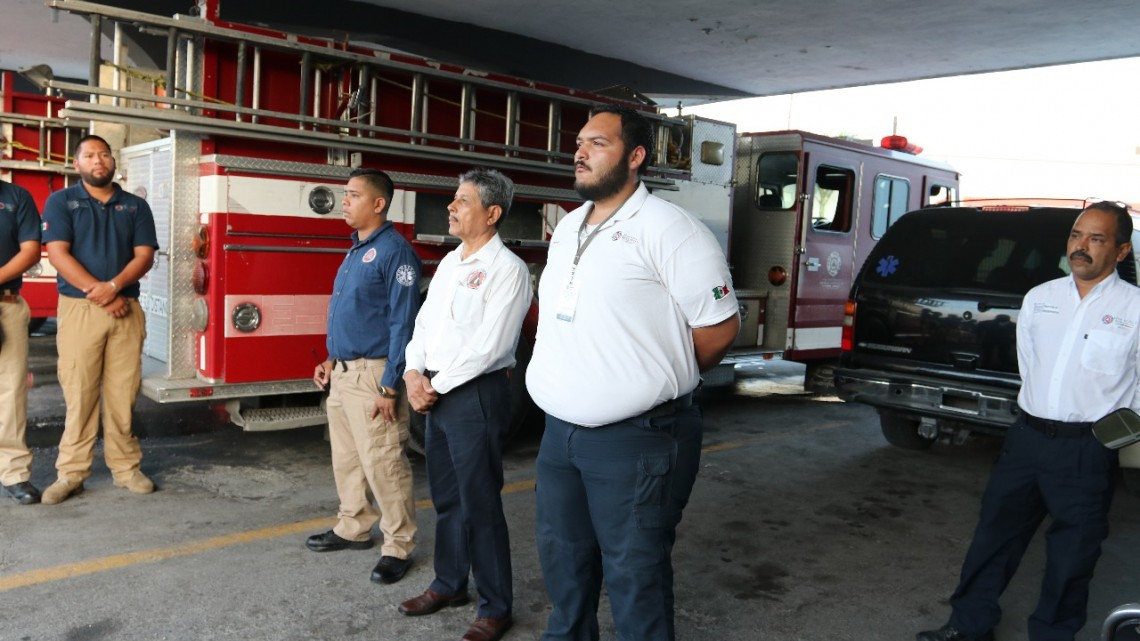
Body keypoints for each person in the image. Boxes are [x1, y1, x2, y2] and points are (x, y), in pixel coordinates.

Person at [526, 105, 740, 641]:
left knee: (634, 575)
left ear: (636, 156)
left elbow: (718, 329)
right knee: (564, 563)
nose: (580, 153)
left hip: (636, 438)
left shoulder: (671, 230)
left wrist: (655, 376)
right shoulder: (569, 226)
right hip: (559, 435)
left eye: (598, 143)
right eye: (580, 142)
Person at [917, 201, 1140, 641]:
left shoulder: (1133, 309)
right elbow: (1029, 364)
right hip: (1027, 439)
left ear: (1121, 251)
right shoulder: (1040, 298)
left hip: (1086, 448)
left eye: (1097, 238)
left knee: (1073, 554)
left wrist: (1112, 438)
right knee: (994, 537)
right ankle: (969, 626)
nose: (1081, 246)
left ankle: (1052, 635)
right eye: (1076, 235)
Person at [398, 168, 530, 641]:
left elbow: (491, 347)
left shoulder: (508, 270)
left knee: (480, 502)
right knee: (447, 497)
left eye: (463, 200)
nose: (451, 207)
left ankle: (496, 607)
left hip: (474, 393)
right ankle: (449, 584)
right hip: (435, 390)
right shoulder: (451, 263)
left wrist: (433, 385)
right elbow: (424, 326)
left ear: (492, 214)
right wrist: (412, 373)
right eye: (453, 198)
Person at [306, 168, 421, 585]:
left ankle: (399, 545)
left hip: (374, 376)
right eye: (345, 194)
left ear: (379, 203)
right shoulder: (356, 248)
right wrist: (330, 360)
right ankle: (353, 526)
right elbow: (356, 315)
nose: (345, 202)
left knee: (384, 461)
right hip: (343, 373)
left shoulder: (395, 252)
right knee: (348, 458)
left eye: (353, 195)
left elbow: (403, 324)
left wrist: (390, 385)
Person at [39, 134, 159, 505]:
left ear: (113, 162)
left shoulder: (135, 206)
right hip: (81, 310)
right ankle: (71, 474)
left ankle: (126, 469)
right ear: (77, 164)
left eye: (104, 154)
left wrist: (114, 286)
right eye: (89, 155)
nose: (98, 160)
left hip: (126, 309)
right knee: (80, 394)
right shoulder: (61, 202)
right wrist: (102, 293)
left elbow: (144, 256)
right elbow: (58, 254)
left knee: (123, 395)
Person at [0, 179, 43, 505]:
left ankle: (13, 473)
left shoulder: (16, 197)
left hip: (7, 305)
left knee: (10, 391)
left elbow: (30, 250)